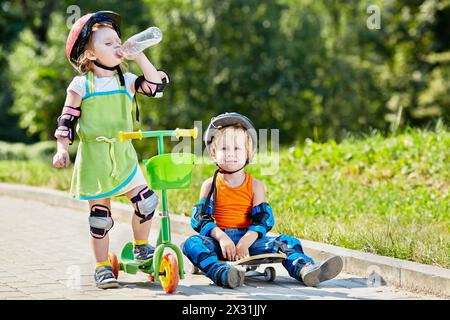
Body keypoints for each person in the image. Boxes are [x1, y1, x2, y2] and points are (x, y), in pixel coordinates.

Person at [52, 11, 170, 289]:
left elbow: (156, 86)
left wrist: (138, 55)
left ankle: (142, 246)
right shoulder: (81, 84)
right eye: (108, 43)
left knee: (146, 202)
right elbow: (66, 121)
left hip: (123, 154)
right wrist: (61, 149)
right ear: (90, 54)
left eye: (118, 41)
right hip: (95, 159)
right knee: (100, 218)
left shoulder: (126, 80)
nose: (117, 46)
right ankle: (102, 267)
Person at [182, 113, 343, 288]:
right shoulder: (210, 185)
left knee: (287, 242)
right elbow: (199, 218)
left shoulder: (255, 186)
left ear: (248, 154)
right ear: (213, 154)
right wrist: (222, 238)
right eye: (224, 149)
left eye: (237, 149)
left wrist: (245, 242)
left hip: (249, 240)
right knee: (192, 243)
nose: (230, 154)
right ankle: (222, 272)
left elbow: (263, 220)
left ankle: (305, 269)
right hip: (219, 241)